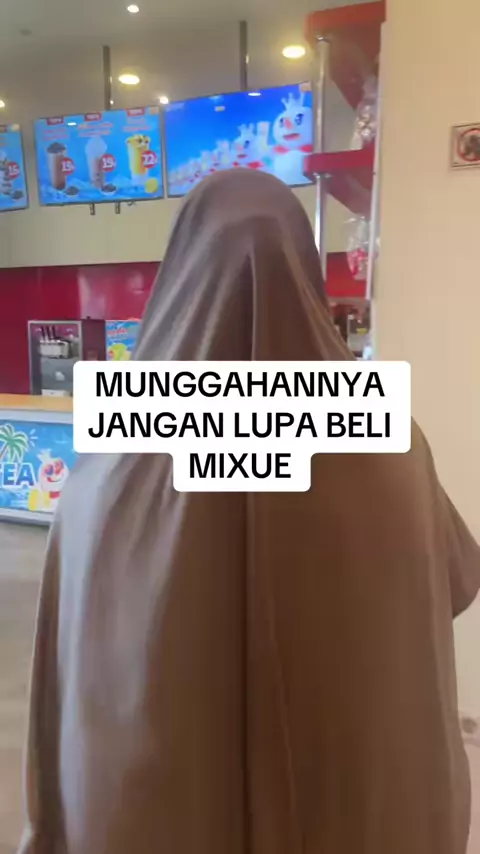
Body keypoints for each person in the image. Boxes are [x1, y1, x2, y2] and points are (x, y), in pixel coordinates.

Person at [19, 170, 480, 854]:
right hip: (355, 801)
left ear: (178, 277)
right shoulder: (390, 443)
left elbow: (70, 638)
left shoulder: (111, 462)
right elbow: (456, 579)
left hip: (147, 810)